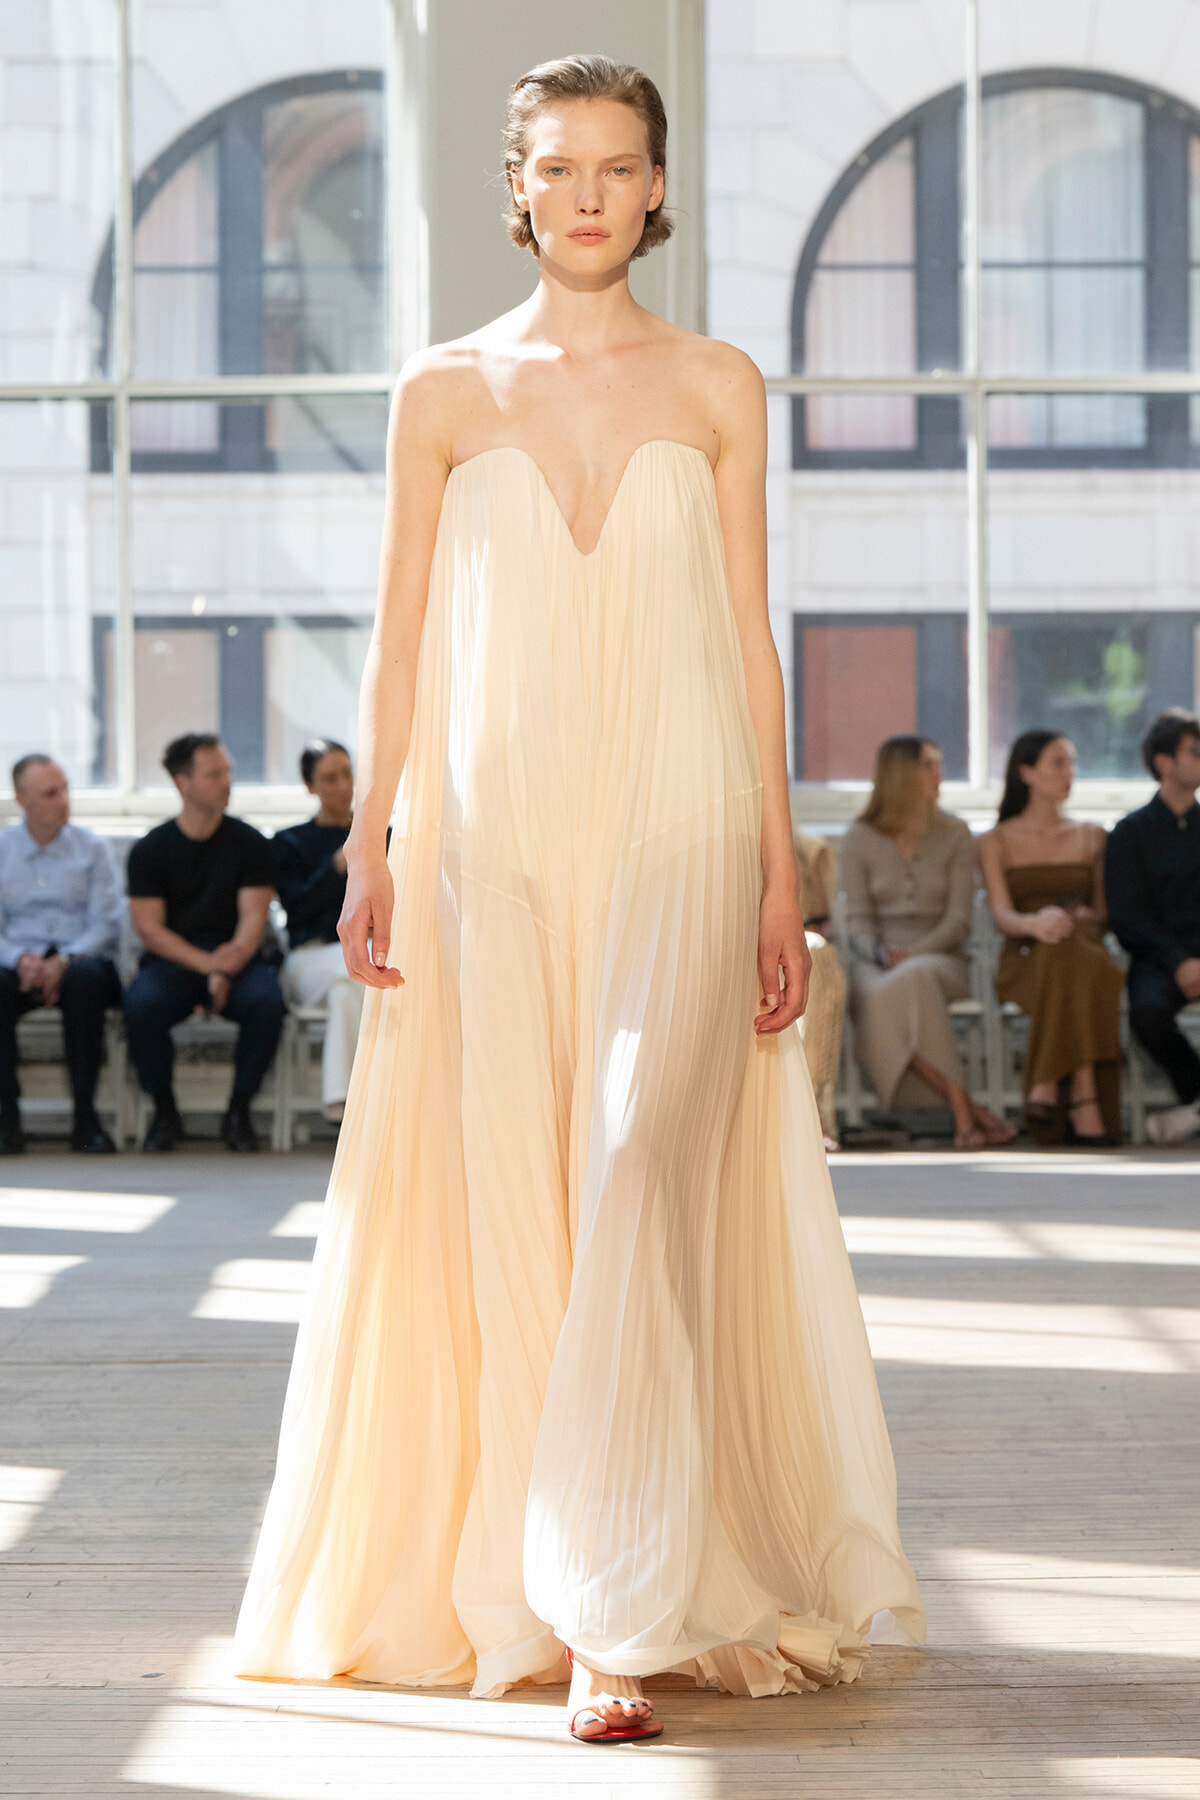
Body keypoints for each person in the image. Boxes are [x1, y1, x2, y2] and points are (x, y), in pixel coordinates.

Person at [234, 56, 923, 1745]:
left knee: (631, 1158)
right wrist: (370, 843)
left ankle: (617, 1606)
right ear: (522, 188)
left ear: (659, 187)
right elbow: (394, 644)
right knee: (518, 1187)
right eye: (563, 165)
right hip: (493, 833)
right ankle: (543, 1581)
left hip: (684, 825)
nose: (594, 190)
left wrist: (784, 875)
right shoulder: (440, 391)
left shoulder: (716, 384)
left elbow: (748, 644)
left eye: (623, 163)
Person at [840, 736, 1013, 1149]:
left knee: (912, 978)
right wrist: (882, 953)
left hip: (942, 958)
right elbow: (858, 920)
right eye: (929, 765)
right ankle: (968, 1112)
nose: (940, 774)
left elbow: (959, 920)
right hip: (875, 960)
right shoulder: (860, 837)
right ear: (901, 775)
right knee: (879, 989)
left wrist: (913, 954)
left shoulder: (955, 833)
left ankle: (964, 1116)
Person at [124, 734, 285, 1153]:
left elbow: (253, 920)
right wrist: (210, 968)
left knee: (267, 1003)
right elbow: (150, 931)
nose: (227, 782)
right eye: (214, 774)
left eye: (228, 771)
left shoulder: (251, 843)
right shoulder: (150, 850)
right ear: (182, 783)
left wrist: (227, 966)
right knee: (141, 1006)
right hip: (175, 960)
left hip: (239, 956)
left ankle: (239, 1110)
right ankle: (163, 1111)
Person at [980, 730, 1124, 1146]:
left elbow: (1102, 915)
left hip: (1082, 948)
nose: (1070, 773)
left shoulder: (1092, 835)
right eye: (1058, 763)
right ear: (1026, 772)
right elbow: (1002, 914)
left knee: (1074, 944)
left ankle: (1047, 1082)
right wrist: (1036, 923)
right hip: (1025, 955)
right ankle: (1083, 1094)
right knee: (1069, 953)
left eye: (1073, 763)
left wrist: (1077, 917)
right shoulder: (995, 840)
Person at [0, 755, 124, 1154]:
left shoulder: (93, 849)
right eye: (51, 793)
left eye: (66, 789)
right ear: (22, 799)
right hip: (18, 962)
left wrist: (64, 960)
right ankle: (6, 1119)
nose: (64, 800)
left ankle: (85, 1119)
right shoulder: (3, 850)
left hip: (79, 960)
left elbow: (106, 924)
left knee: (86, 982)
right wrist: (20, 959)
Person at [1105, 710, 1200, 1146]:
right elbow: (1127, 916)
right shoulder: (1130, 833)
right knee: (1148, 1015)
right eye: (1194, 753)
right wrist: (1179, 961)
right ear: (1164, 762)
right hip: (1159, 959)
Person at [273, 740, 365, 1124]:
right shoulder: (288, 843)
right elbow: (299, 910)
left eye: (347, 774)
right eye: (329, 778)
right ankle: (381, 1093)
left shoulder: (383, 837)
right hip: (309, 957)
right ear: (309, 786)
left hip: (361, 959)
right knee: (362, 970)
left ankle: (342, 1103)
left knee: (348, 988)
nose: (342, 786)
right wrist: (337, 867)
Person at [792, 827, 846, 1151]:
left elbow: (818, 923)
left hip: (783, 941)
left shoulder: (808, 850)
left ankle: (812, 1114)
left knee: (816, 954)